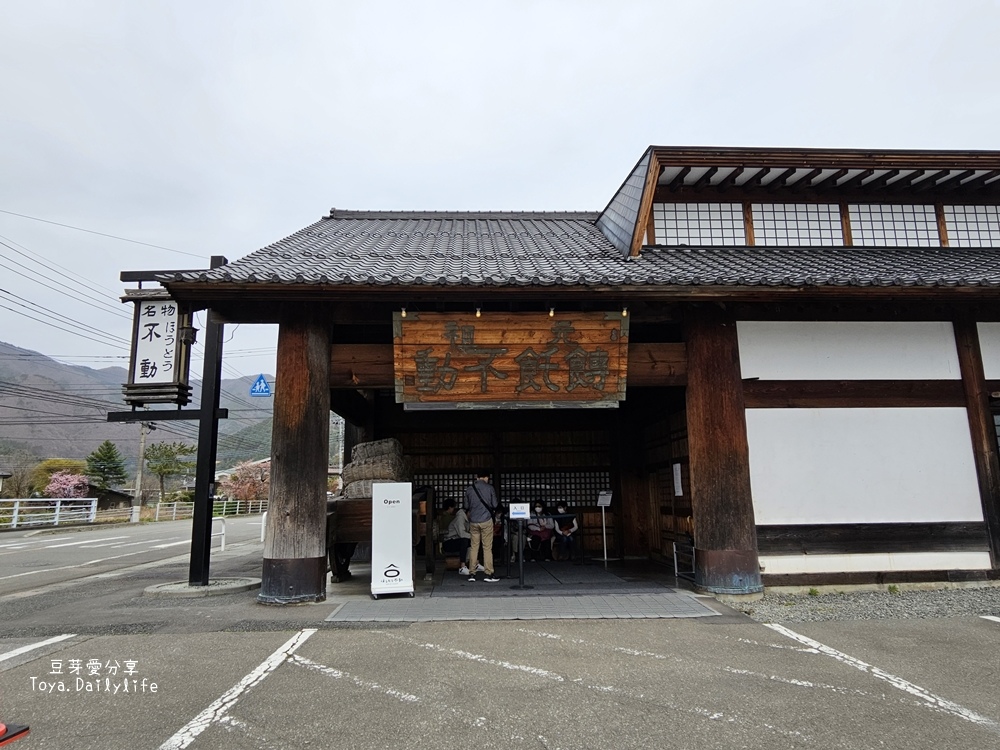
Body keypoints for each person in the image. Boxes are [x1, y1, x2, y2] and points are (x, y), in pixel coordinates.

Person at [464, 470, 499, 581]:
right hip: (486, 520)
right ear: (486, 477)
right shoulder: (489, 488)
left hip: (474, 521)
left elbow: (466, 505)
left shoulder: (469, 489)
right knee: (487, 547)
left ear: (476, 477)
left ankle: (472, 574)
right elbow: (495, 504)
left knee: (474, 547)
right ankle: (488, 573)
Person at [442, 504, 472, 575]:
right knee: (464, 540)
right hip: (448, 542)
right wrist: (474, 536)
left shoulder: (468, 520)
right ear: (468, 512)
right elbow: (462, 534)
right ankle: (462, 566)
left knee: (471, 541)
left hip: (456, 540)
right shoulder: (460, 518)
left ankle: (474, 563)